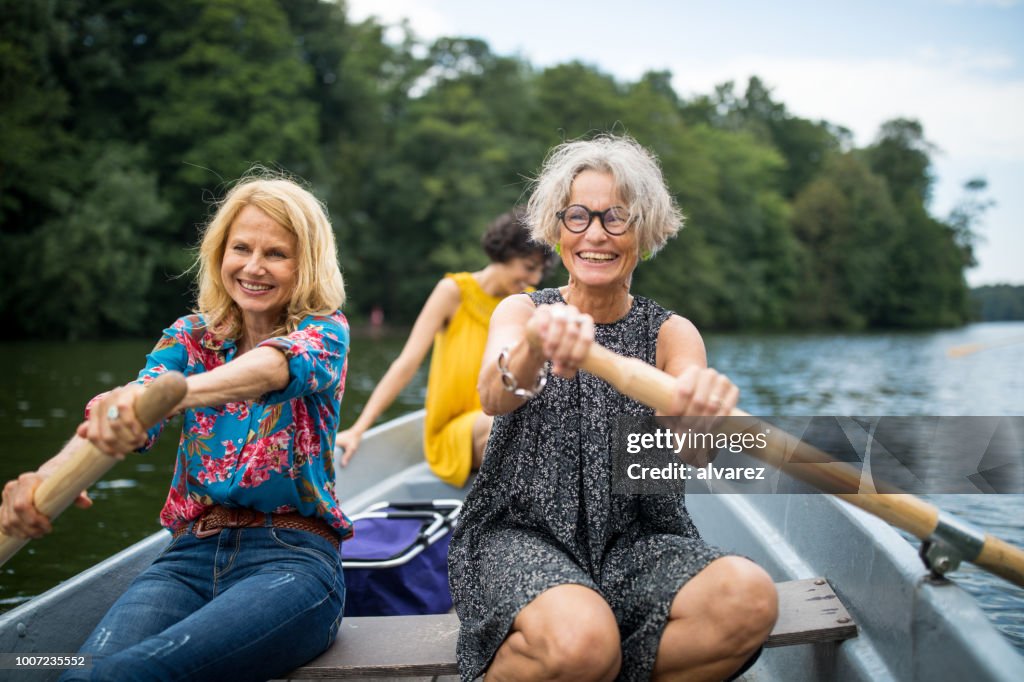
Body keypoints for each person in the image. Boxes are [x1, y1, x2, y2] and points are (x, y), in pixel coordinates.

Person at [448, 135, 779, 682]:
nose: (595, 234)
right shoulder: (522, 309)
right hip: (520, 534)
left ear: (645, 233)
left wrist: (700, 418)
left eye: (616, 218)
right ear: (556, 232)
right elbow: (493, 393)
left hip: (635, 542)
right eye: (577, 217)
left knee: (750, 599)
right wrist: (536, 344)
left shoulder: (673, 333)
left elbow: (694, 454)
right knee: (582, 642)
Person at [0, 174, 350, 681]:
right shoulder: (190, 337)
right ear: (219, 253)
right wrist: (44, 476)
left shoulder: (325, 332)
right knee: (75, 671)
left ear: (307, 264)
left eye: (276, 254)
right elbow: (123, 412)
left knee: (135, 672)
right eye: (241, 248)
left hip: (292, 563)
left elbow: (276, 367)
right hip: (187, 556)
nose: (253, 267)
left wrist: (178, 395)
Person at [335, 208, 555, 487]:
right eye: (528, 266)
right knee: (504, 426)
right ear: (505, 252)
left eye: (540, 271)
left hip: (503, 416)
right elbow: (406, 364)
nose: (534, 279)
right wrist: (358, 429)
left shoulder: (528, 303)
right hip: (454, 431)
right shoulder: (453, 291)